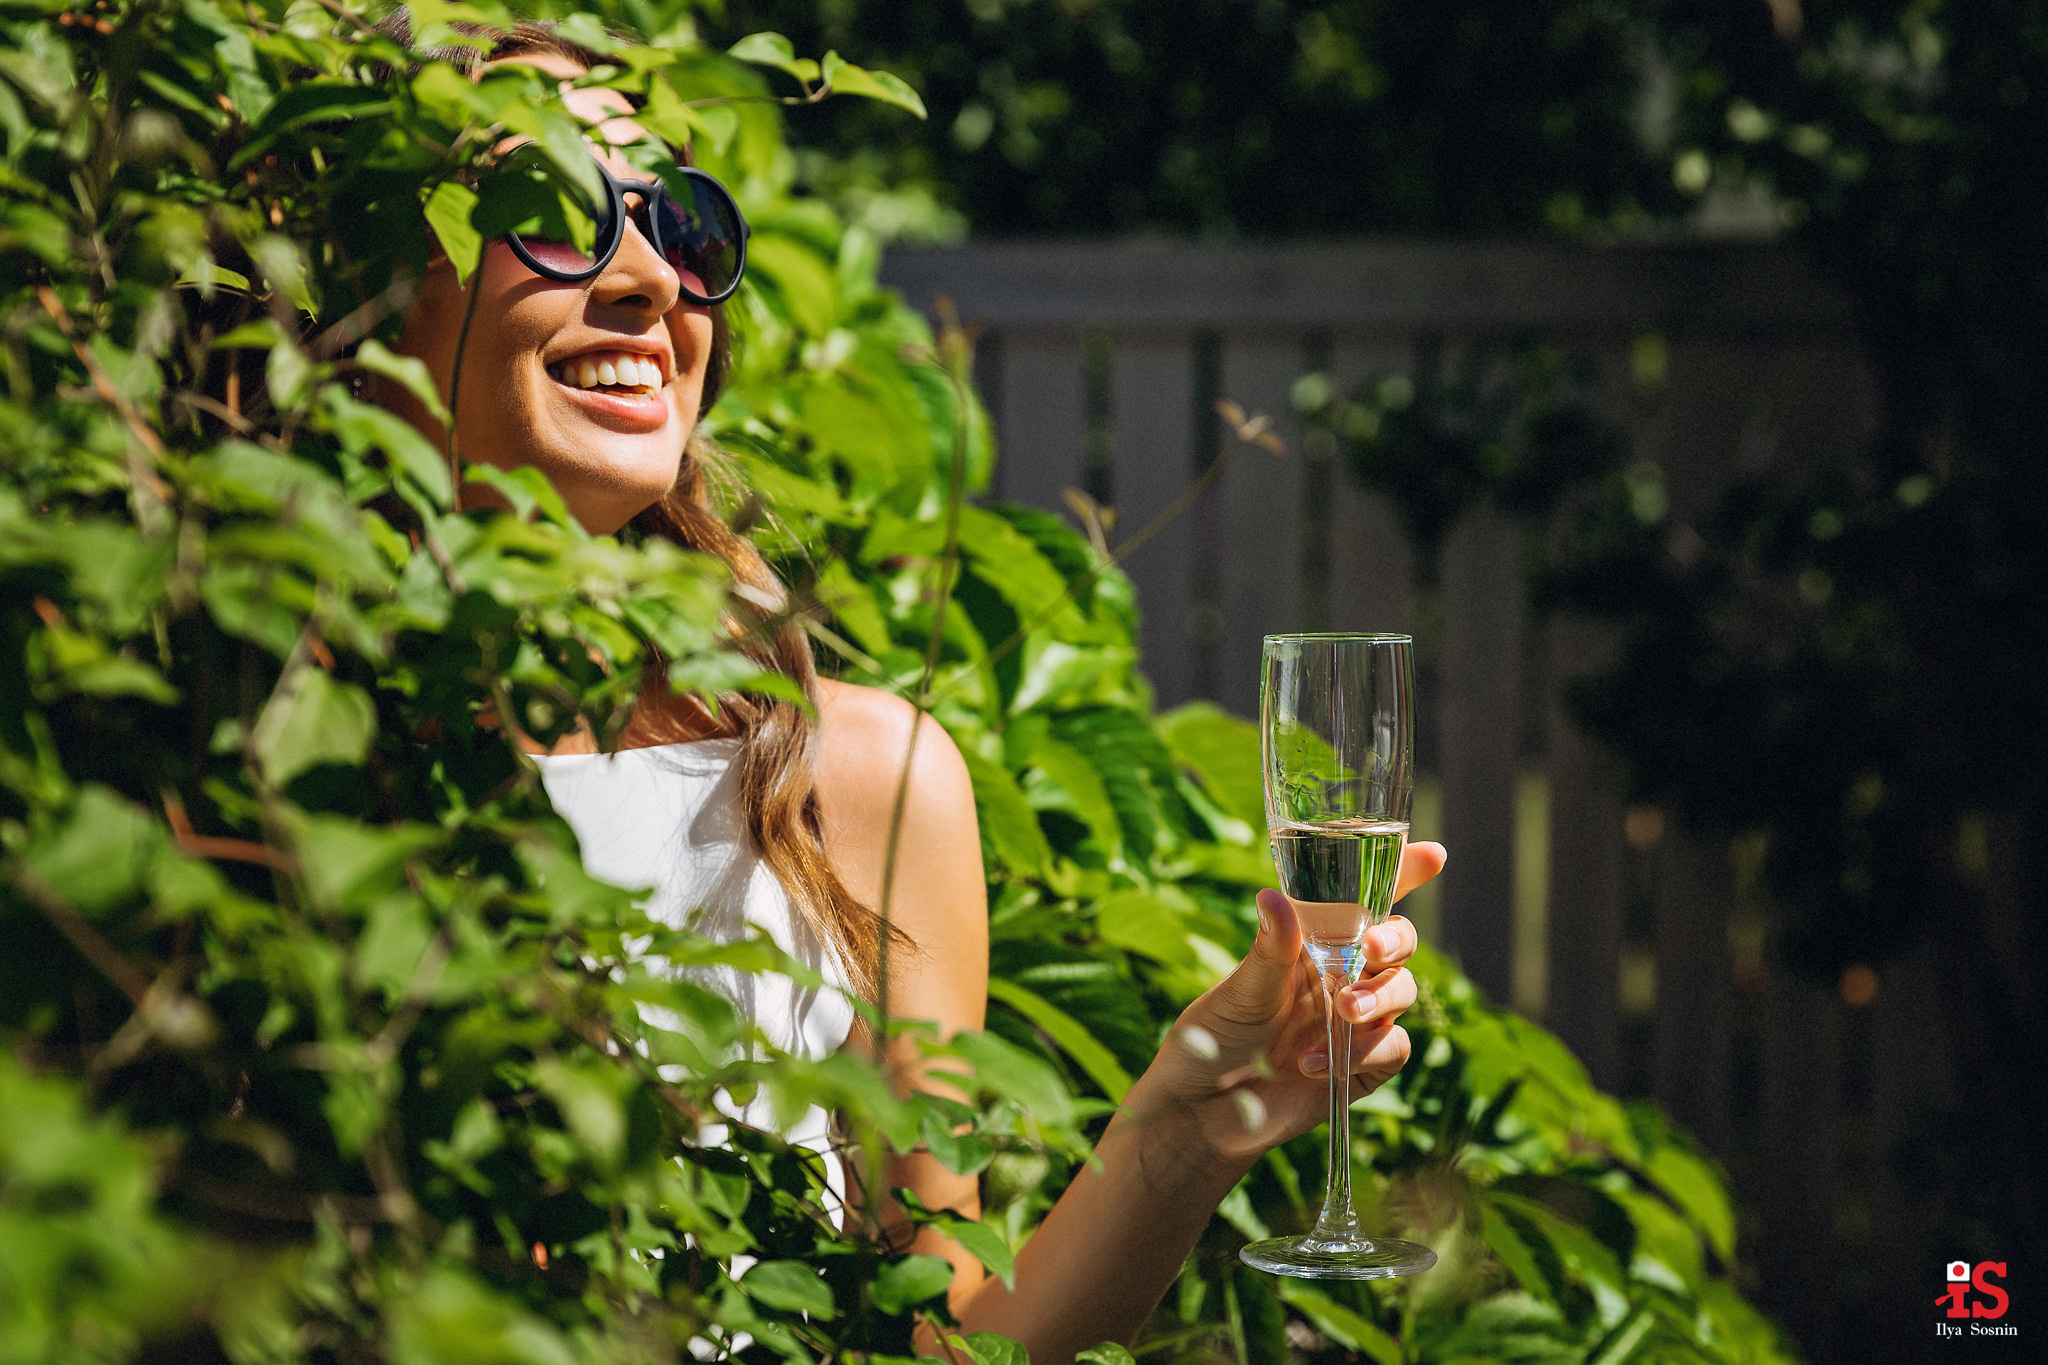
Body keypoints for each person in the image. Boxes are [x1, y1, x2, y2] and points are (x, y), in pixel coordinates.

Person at [377, 22, 1446, 1363]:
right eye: (555, 212)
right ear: (370, 292)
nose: (653, 280)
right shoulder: (249, 773)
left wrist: (1192, 1121)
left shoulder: (862, 782)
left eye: (681, 225)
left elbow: (938, 1338)